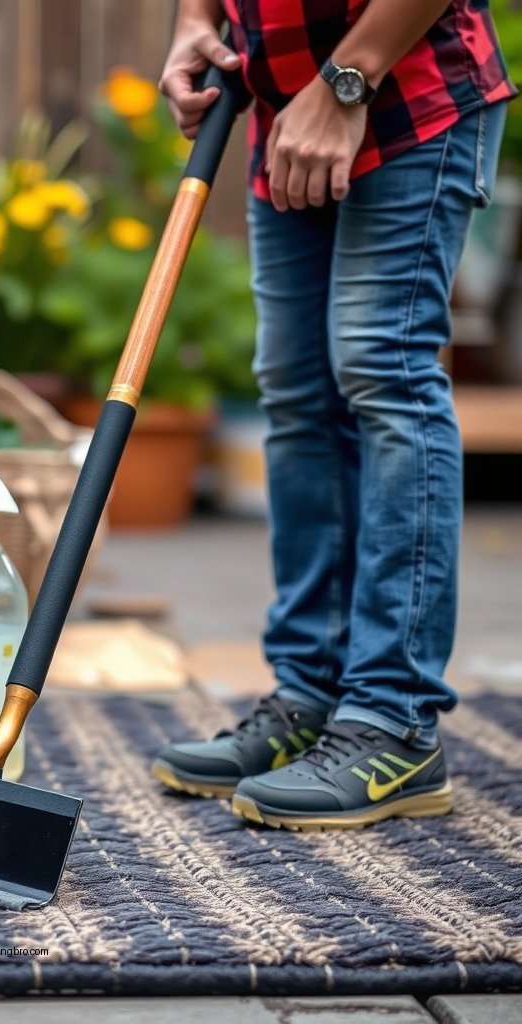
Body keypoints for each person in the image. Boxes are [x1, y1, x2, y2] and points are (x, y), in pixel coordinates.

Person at [152, 0, 514, 829]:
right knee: (299, 394)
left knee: (384, 375)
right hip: (286, 108)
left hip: (405, 91)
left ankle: (393, 721)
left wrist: (346, 83)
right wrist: (193, 20)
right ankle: (312, 699)